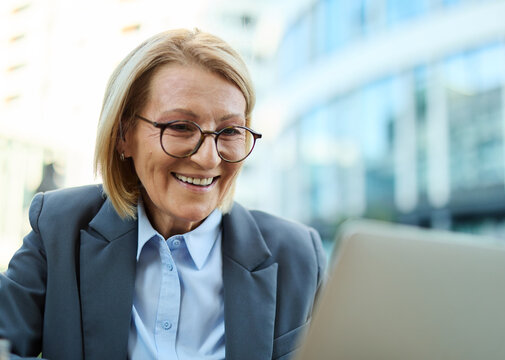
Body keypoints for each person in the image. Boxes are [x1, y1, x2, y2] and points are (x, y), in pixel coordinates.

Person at [0, 29, 326, 360]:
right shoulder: (59, 227)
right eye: (181, 127)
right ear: (123, 135)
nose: (209, 158)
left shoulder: (298, 256)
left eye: (229, 131)